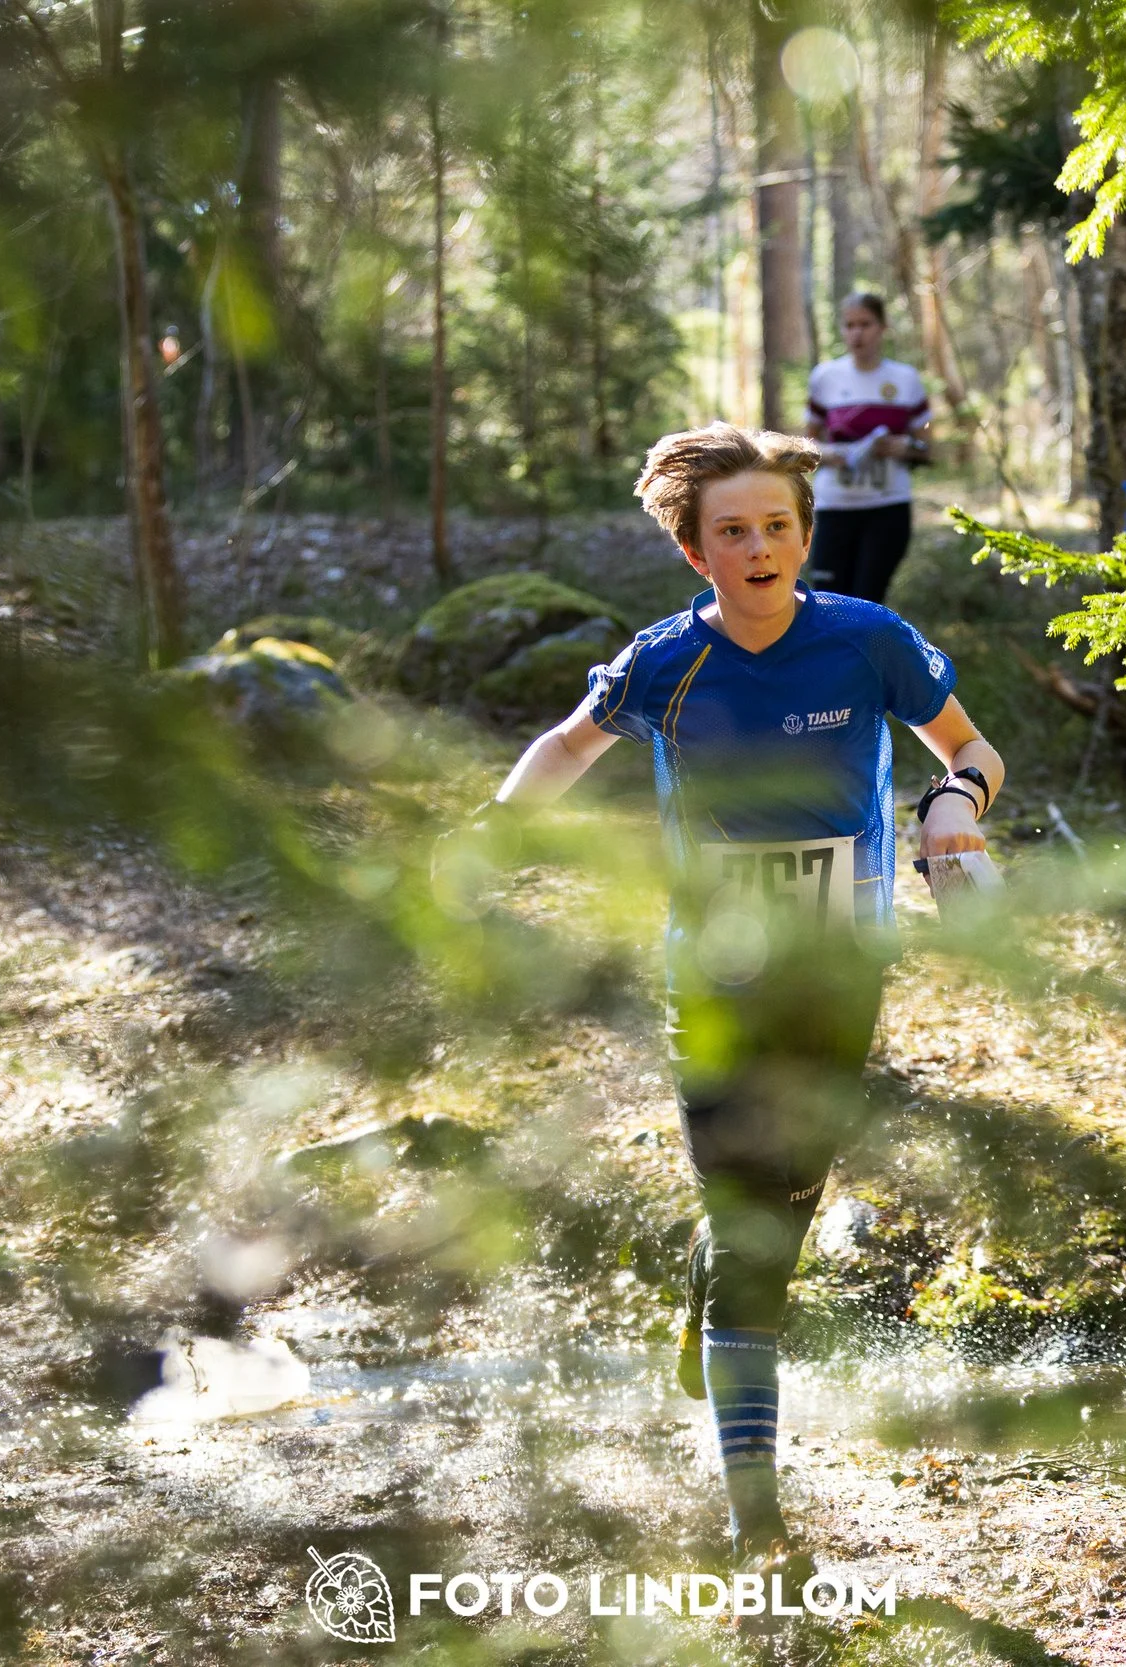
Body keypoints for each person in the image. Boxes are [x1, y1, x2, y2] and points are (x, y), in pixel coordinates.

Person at [470, 422, 1003, 1573]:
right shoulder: (668, 660)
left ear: (805, 538)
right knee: (755, 1242)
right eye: (733, 532)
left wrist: (953, 805)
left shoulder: (868, 641)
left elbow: (973, 747)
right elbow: (568, 745)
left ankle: (714, 1276)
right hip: (709, 976)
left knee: (779, 1218)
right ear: (694, 550)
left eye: (776, 527)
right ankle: (756, 1521)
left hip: (838, 969)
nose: (759, 547)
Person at [804, 292, 930, 604]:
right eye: (849, 325)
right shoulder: (825, 377)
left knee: (868, 601)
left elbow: (926, 447)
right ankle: (830, 655)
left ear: (883, 327)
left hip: (887, 507)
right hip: (836, 506)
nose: (856, 333)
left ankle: (870, 654)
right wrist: (830, 454)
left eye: (865, 324)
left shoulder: (905, 379)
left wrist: (905, 447)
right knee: (829, 601)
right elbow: (807, 445)